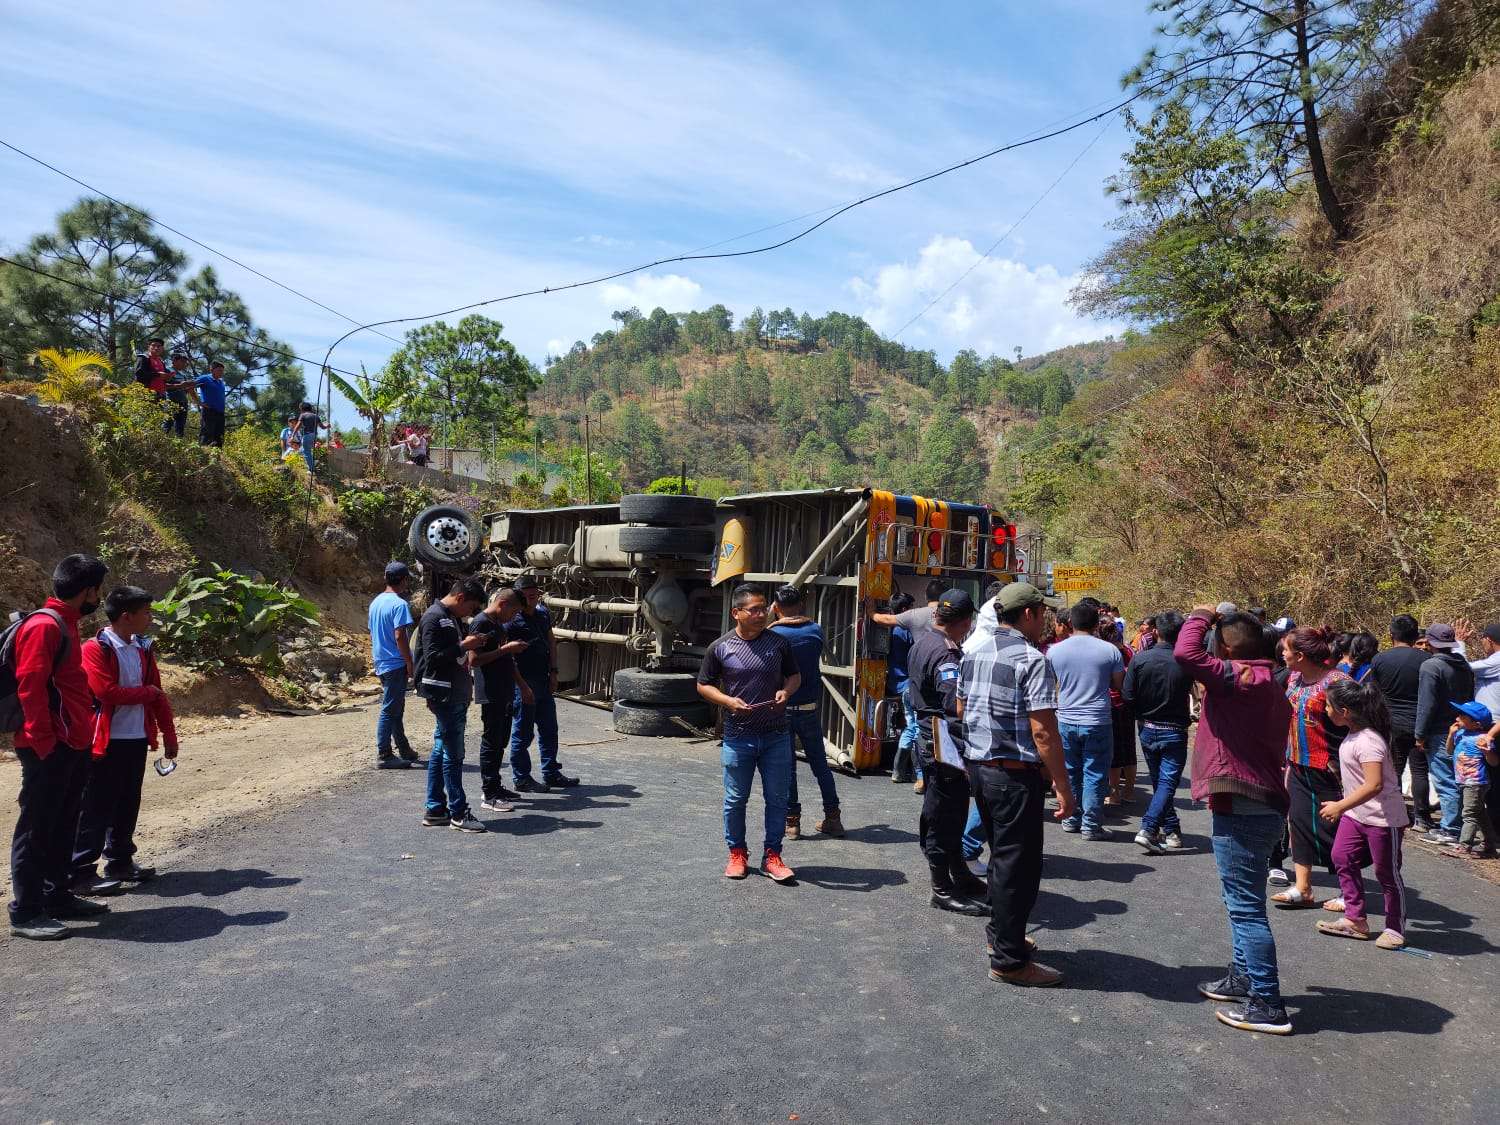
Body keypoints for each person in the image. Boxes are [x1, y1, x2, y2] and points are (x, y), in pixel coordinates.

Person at [1175, 605, 1293, 1035]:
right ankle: (1243, 978)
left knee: (1246, 909)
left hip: (1245, 804)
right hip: (1254, 802)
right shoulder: (1262, 679)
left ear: (1224, 647)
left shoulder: (1241, 678)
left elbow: (1186, 655)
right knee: (1239, 901)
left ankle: (1267, 1002)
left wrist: (1200, 614)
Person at [959, 581, 1075, 987]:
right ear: (1028, 614)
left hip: (980, 770)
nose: (1045, 621)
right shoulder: (1031, 659)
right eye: (1043, 613)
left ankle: (1001, 938)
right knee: (1017, 868)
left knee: (1002, 861)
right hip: (1013, 774)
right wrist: (1062, 784)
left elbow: (960, 707)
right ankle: (1009, 961)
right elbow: (1043, 731)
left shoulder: (972, 653)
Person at [7, 554, 111, 941]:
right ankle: (26, 911)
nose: (98, 597)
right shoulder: (45, 626)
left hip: (72, 744)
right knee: (37, 828)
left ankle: (57, 896)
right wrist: (44, 743)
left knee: (64, 822)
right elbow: (30, 686)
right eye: (96, 591)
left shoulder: (67, 623)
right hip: (48, 747)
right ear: (86, 591)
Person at [73, 586, 177, 890]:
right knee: (95, 806)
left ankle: (120, 862)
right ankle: (80, 871)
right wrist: (147, 693)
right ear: (126, 616)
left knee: (127, 803)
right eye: (145, 612)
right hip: (104, 742)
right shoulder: (95, 648)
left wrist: (168, 735)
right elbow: (105, 691)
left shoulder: (142, 648)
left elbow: (158, 695)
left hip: (134, 738)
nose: (150, 617)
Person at [696, 583, 800, 883]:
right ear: (736, 613)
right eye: (753, 609)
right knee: (735, 799)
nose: (761, 614)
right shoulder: (721, 647)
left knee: (778, 799)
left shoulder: (779, 643)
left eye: (763, 608)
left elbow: (794, 675)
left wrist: (785, 691)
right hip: (738, 736)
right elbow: (704, 684)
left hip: (776, 735)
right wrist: (728, 701)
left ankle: (773, 856)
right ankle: (737, 853)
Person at [902, 589, 990, 917]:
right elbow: (955, 706)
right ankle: (941, 888)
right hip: (943, 744)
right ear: (966, 622)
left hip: (930, 739)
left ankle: (960, 875)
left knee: (950, 814)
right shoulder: (946, 653)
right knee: (944, 816)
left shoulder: (922, 642)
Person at [1314, 678, 1410, 948]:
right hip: (1356, 816)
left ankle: (1395, 928)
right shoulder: (1353, 736)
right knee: (1341, 857)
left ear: (1344, 712)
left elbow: (1374, 784)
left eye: (1329, 707)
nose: (1326, 711)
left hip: (1383, 819)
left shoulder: (1369, 741)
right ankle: (1355, 919)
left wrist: (1340, 805)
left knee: (1386, 873)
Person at [1273, 627, 1350, 909]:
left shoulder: (1338, 681)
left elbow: (1360, 719)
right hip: (1297, 762)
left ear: (1301, 655)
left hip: (1330, 768)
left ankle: (1347, 889)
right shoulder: (1293, 678)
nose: (1282, 653)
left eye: (1286, 650)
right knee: (1300, 823)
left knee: (1334, 828)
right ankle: (1303, 887)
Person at [1045, 602, 1124, 840]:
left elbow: (1050, 684)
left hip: (1066, 717)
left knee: (1071, 770)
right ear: (1095, 624)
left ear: (1070, 623)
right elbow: (1119, 685)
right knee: (1096, 772)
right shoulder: (1109, 651)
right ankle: (1091, 825)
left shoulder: (1054, 651)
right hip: (1098, 719)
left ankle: (1071, 818)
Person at [769, 585, 843, 839]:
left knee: (787, 766)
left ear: (775, 607)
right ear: (801, 604)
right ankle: (833, 817)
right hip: (810, 708)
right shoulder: (815, 630)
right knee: (820, 765)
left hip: (783, 708)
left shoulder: (774, 635)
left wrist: (771, 618)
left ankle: (792, 823)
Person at [414, 578, 488, 832]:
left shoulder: (450, 618)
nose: (470, 613)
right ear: (460, 598)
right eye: (471, 607)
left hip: (452, 694)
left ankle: (435, 809)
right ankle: (458, 813)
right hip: (444, 695)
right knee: (453, 756)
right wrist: (463, 646)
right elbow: (432, 658)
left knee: (440, 751)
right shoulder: (435, 618)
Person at [1123, 610, 1192, 854]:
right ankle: (1149, 828)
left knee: (1162, 783)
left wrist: (1142, 714)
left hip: (1147, 729)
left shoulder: (1140, 659)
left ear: (1156, 632)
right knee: (1166, 783)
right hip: (1174, 730)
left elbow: (1127, 695)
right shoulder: (1185, 661)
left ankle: (1172, 830)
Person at [506, 574, 579, 792]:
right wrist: (521, 686)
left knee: (549, 729)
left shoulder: (543, 613)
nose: (532, 597)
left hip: (544, 680)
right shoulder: (511, 620)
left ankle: (551, 773)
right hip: (524, 683)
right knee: (523, 732)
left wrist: (554, 672)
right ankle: (521, 778)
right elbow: (507, 657)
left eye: (535, 593)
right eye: (527, 595)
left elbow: (551, 643)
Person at [468, 587, 529, 812]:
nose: (513, 618)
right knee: (491, 741)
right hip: (490, 692)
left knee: (500, 741)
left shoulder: (497, 624)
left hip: (504, 691)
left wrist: (521, 685)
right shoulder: (481, 623)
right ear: (503, 604)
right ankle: (489, 793)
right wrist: (506, 649)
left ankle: (495, 786)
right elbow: (473, 660)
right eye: (513, 613)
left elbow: (507, 660)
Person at [1369, 615, 1432, 830]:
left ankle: (1391, 811)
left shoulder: (1380, 659)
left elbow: (1374, 693)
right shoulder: (1426, 661)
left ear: (1391, 635)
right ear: (1416, 636)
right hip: (1419, 724)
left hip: (1390, 722)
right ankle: (1422, 818)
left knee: (1393, 769)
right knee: (1420, 770)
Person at [1415, 623, 1475, 847]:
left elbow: (1426, 704)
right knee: (1460, 778)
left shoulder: (1431, 666)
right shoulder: (1464, 665)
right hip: (1461, 726)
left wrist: (1419, 734)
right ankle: (1460, 825)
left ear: (1430, 642)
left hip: (1439, 731)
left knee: (1445, 779)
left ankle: (1451, 829)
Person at [368, 562, 423, 770]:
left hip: (382, 661)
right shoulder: (399, 604)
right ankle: (384, 753)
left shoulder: (375, 603)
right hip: (395, 663)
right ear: (404, 580)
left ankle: (404, 748)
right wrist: (409, 661)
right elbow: (400, 636)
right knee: (390, 708)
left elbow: (373, 633)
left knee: (396, 708)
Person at [1446, 701, 1498, 857]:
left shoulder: (1482, 738)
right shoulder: (1460, 734)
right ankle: (1490, 844)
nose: (1457, 718)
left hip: (1476, 782)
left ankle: (1464, 846)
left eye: (1463, 716)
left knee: (1468, 814)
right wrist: (1450, 735)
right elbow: (1449, 751)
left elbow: (1494, 762)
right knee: (1479, 813)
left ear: (1476, 724)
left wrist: (1487, 752)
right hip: (1463, 781)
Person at [886, 592, 922, 789]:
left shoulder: (891, 629)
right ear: (903, 610)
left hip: (898, 683)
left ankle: (899, 770)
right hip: (910, 684)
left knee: (910, 724)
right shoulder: (906, 630)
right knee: (915, 726)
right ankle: (918, 772)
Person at [194, 360, 229, 447]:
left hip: (220, 413)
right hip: (209, 411)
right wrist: (198, 402)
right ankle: (203, 455)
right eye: (219, 370)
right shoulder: (205, 378)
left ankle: (217, 458)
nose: (221, 373)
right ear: (212, 370)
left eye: (222, 371)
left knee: (219, 437)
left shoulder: (221, 382)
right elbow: (190, 386)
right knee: (207, 434)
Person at [163, 351, 193, 437]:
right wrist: (179, 385)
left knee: (180, 427)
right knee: (167, 423)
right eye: (182, 361)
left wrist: (188, 387)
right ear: (174, 361)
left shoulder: (183, 375)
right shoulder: (167, 370)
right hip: (171, 402)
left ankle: (178, 445)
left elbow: (184, 390)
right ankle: (160, 443)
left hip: (183, 403)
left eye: (186, 362)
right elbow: (164, 386)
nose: (185, 364)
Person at [295, 401, 322, 475]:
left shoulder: (303, 415)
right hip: (314, 436)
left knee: (306, 451)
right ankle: (313, 462)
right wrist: (327, 426)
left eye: (300, 409)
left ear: (302, 409)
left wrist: (292, 435)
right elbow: (322, 427)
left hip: (307, 435)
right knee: (302, 450)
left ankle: (311, 469)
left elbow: (298, 425)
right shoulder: (316, 416)